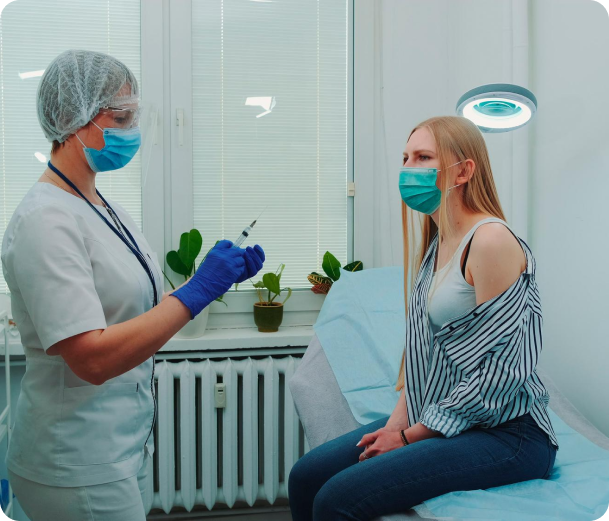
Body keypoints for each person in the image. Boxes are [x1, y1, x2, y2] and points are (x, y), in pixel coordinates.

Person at [0, 49, 265, 521]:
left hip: (120, 448)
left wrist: (210, 283)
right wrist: (197, 290)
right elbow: (93, 358)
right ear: (72, 120)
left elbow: (136, 312)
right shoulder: (45, 221)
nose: (131, 130)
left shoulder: (103, 208)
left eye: (133, 116)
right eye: (119, 117)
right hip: (75, 459)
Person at [288, 116, 558, 520]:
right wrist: (399, 423)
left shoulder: (490, 241)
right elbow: (419, 354)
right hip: (447, 416)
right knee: (306, 477)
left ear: (464, 171)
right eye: (406, 157)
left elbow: (504, 372)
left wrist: (410, 436)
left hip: (510, 433)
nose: (408, 168)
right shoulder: (437, 245)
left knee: (336, 500)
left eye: (424, 157)